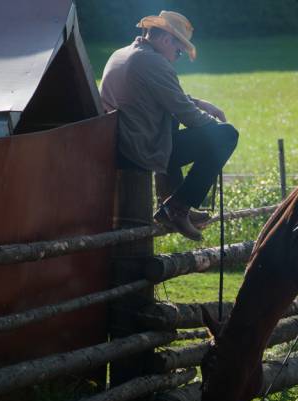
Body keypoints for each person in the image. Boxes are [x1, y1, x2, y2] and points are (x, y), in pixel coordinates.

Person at [100, 10, 238, 241]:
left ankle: (171, 199)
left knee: (173, 121)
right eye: (179, 51)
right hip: (138, 149)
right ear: (165, 40)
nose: (177, 56)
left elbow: (163, 95)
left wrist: (199, 102)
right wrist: (216, 127)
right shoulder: (152, 62)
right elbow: (188, 116)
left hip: (123, 142)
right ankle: (176, 208)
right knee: (227, 136)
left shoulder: (124, 54)